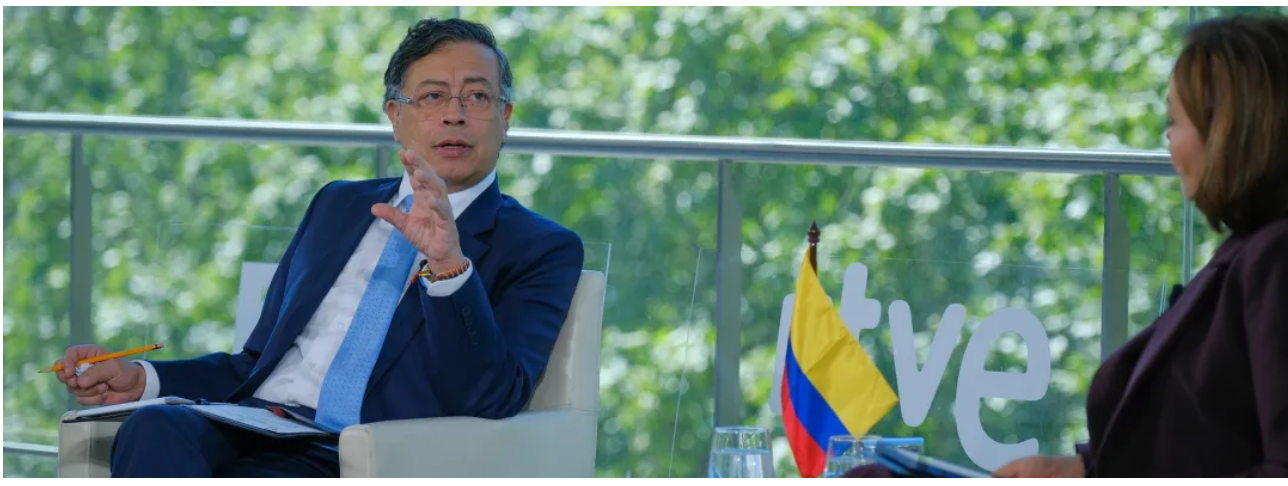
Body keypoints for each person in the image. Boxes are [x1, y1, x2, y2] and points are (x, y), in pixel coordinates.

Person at [55, 17, 585, 477]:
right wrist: (142, 378)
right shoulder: (338, 205)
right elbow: (255, 364)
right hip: (256, 423)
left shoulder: (541, 248)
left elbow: (492, 397)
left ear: (505, 118)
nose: (455, 115)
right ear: (395, 115)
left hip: (364, 453)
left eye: (478, 97)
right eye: (432, 97)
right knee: (154, 426)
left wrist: (447, 264)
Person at [847, 14, 1288, 479]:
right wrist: (1070, 470)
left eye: (1174, 122)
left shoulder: (1273, 259)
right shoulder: (1249, 252)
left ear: (1226, 132)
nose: (1167, 141)